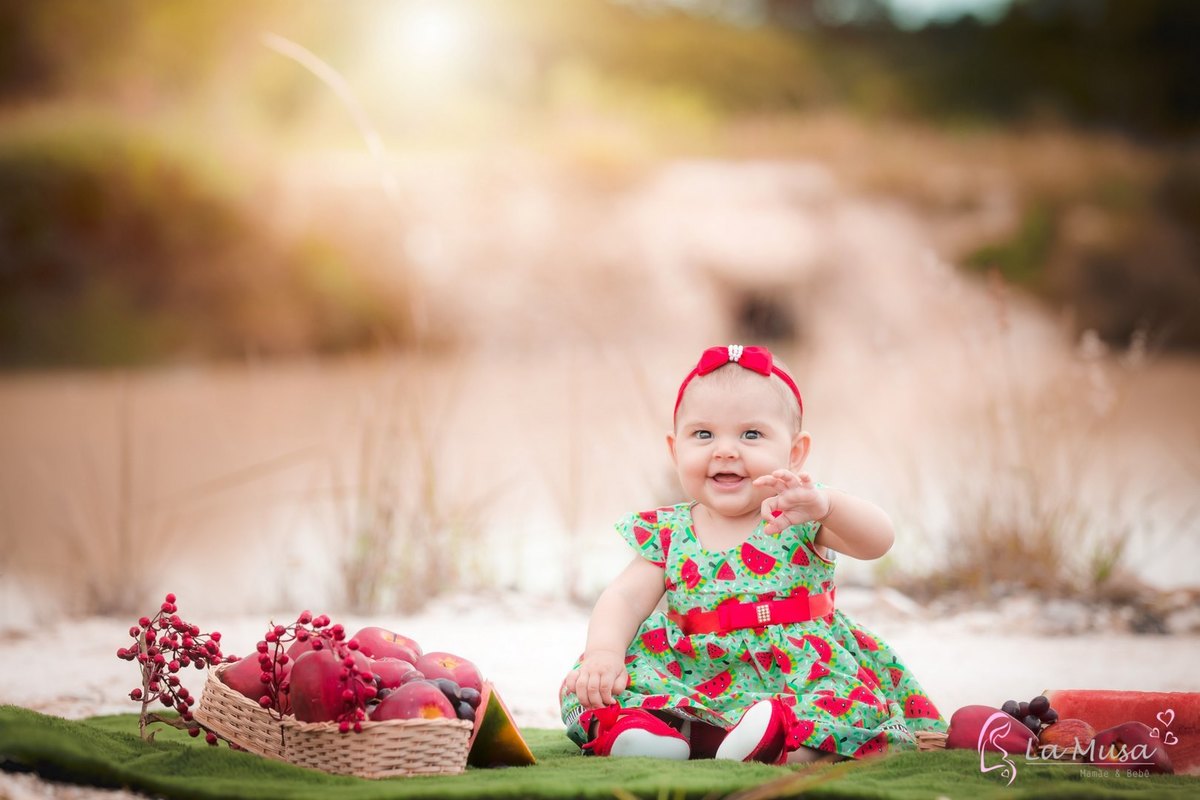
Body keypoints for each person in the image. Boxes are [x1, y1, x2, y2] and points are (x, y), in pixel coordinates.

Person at [559, 344, 946, 763]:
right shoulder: (668, 530)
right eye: (703, 435)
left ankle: (774, 743)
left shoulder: (800, 511)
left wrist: (827, 505)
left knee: (839, 707)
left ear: (794, 453)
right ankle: (651, 734)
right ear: (675, 450)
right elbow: (625, 598)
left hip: (797, 672)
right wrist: (603, 653)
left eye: (751, 434)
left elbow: (879, 541)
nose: (725, 450)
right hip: (691, 668)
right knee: (596, 687)